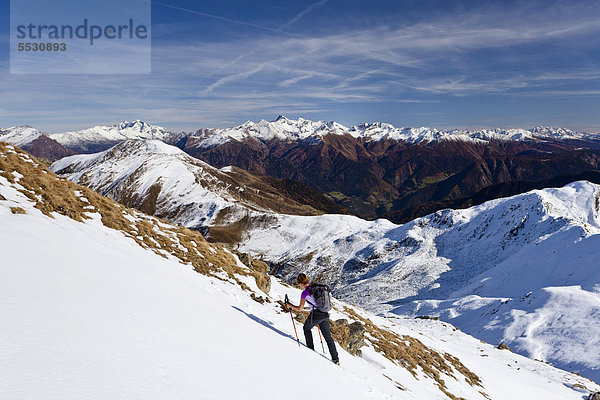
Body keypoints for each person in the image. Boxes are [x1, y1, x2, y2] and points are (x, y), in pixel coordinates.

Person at [285, 273, 339, 365]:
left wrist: (289, 305)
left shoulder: (305, 292)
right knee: (328, 337)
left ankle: (310, 349)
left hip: (316, 315)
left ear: (301, 283)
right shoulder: (317, 288)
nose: (299, 285)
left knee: (306, 328)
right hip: (325, 314)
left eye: (298, 284)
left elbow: (300, 308)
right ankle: (335, 359)